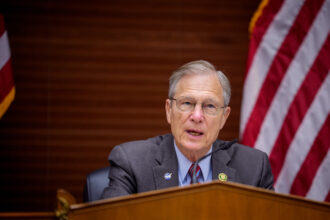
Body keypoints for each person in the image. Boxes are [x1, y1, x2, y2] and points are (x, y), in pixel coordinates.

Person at [101, 60, 274, 199]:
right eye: (187, 103)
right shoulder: (133, 162)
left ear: (224, 118)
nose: (197, 116)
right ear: (169, 110)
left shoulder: (254, 168)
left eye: (210, 106)